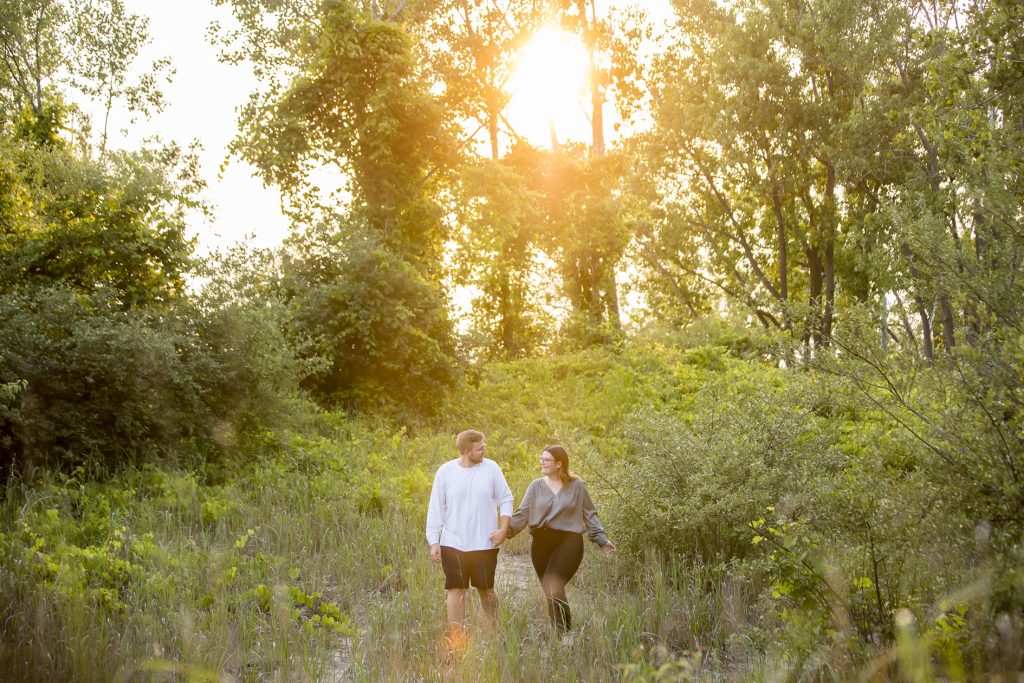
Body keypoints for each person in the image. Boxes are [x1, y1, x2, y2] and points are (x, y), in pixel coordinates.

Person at [508, 445, 615, 640]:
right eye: (541, 458)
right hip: (541, 542)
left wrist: (601, 539)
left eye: (546, 459)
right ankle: (561, 637)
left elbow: (590, 514)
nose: (542, 462)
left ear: (559, 464)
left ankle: (565, 634)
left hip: (568, 541)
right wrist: (504, 532)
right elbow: (522, 514)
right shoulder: (535, 486)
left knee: (552, 585)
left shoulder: (577, 486)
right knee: (551, 591)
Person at [425, 429, 514, 653]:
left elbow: (505, 498)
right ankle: (456, 642)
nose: (484, 450)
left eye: (484, 446)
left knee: (486, 590)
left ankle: (496, 635)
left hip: (484, 543)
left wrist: (503, 528)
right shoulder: (445, 472)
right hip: (452, 542)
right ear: (466, 451)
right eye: (479, 448)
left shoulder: (491, 468)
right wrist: (433, 541)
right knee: (456, 590)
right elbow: (435, 508)